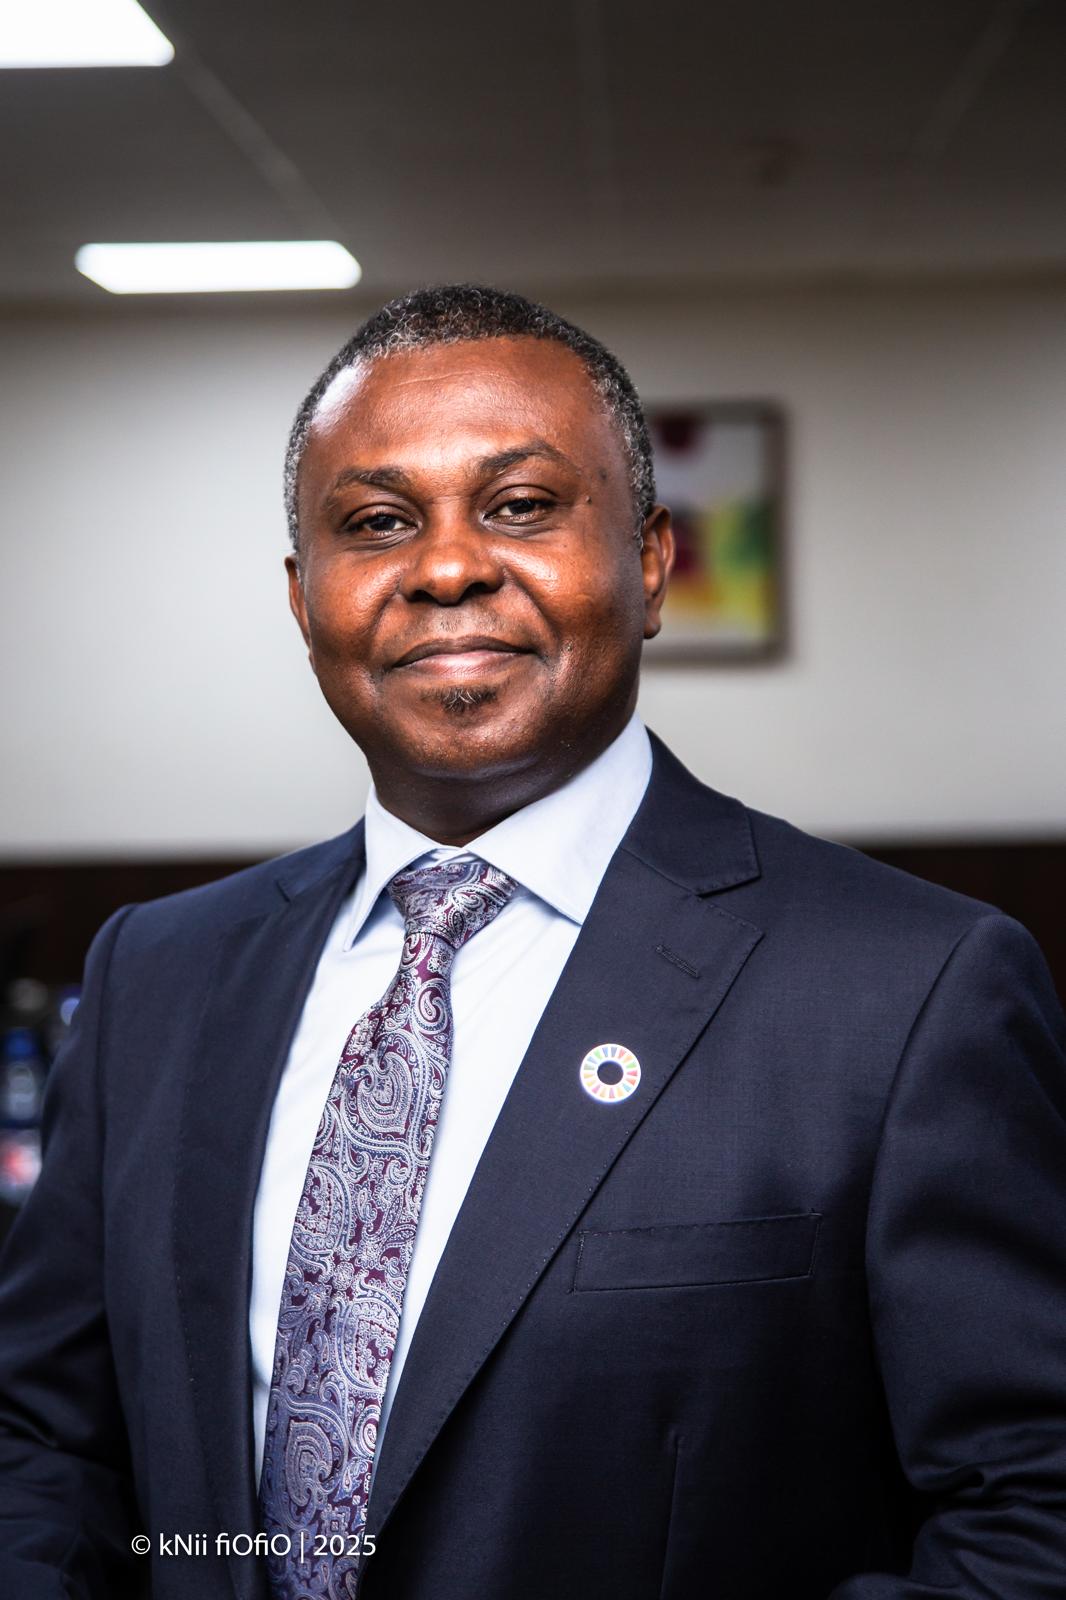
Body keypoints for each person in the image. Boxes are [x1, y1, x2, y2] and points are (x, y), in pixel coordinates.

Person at [0, 285, 1064, 1600]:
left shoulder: (909, 990)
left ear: (652, 561)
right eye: (376, 523)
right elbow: (46, 1441)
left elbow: (1028, 1509)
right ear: (302, 599)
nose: (446, 568)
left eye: (517, 506)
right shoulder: (156, 977)